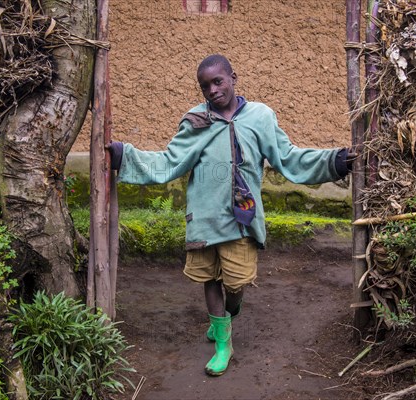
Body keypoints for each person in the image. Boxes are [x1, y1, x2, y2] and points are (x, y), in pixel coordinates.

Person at [108, 54, 355, 376]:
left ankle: (229, 313)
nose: (212, 90)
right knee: (209, 278)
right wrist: (123, 155)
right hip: (205, 215)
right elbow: (169, 161)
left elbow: (288, 157)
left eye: (217, 81)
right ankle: (224, 343)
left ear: (232, 77)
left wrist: (335, 161)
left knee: (236, 283)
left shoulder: (260, 117)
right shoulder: (196, 121)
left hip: (242, 217)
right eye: (204, 86)